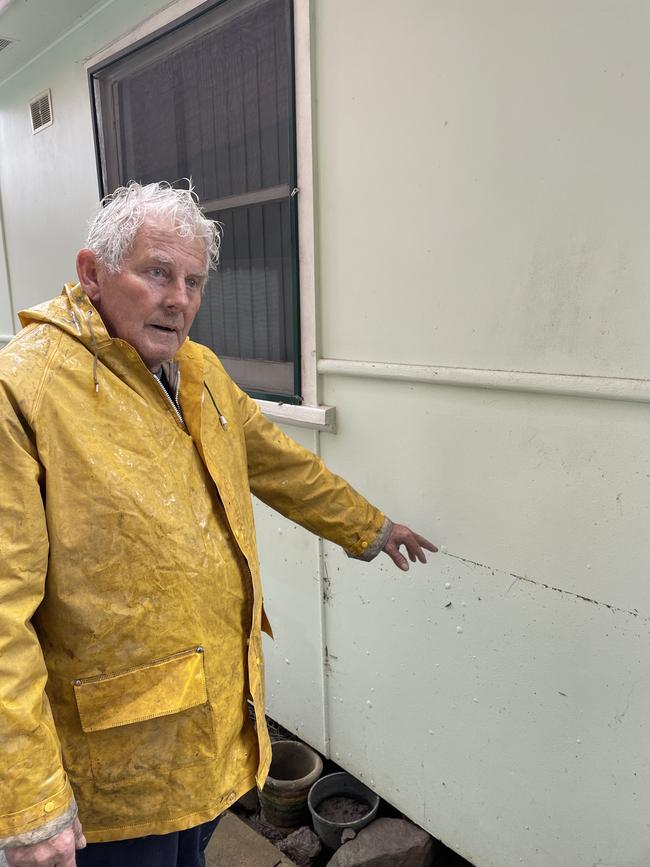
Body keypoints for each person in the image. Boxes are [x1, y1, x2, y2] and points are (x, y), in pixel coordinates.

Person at [0, 182, 436, 867]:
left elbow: (279, 463)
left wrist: (372, 528)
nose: (180, 298)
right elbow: (3, 616)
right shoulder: (26, 389)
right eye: (156, 272)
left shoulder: (197, 370)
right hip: (114, 771)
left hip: (211, 727)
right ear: (92, 273)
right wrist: (29, 805)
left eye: (194, 280)